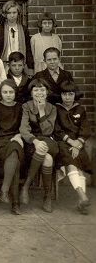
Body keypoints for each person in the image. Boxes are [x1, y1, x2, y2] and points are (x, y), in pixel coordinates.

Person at [19, 78, 58, 213]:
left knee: (45, 147)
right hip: (32, 142)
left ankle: (26, 185)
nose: (39, 93)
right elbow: (23, 129)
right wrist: (34, 141)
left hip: (48, 140)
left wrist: (41, 111)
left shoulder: (52, 108)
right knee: (47, 158)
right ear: (31, 92)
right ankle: (47, 196)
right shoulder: (26, 106)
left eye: (42, 89)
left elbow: (48, 131)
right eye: (36, 90)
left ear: (47, 92)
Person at [54, 81, 92, 214]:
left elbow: (85, 129)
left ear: (74, 95)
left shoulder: (80, 109)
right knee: (71, 162)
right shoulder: (57, 109)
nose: (67, 98)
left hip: (78, 142)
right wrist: (71, 142)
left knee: (79, 165)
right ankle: (82, 196)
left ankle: (82, 200)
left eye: (70, 94)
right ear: (61, 95)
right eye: (64, 94)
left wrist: (78, 143)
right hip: (63, 143)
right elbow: (56, 130)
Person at [0, 79, 24, 215]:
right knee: (14, 162)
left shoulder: (20, 107)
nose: (8, 95)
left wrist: (19, 136)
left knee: (15, 151)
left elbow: (26, 127)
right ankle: (15, 203)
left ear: (15, 92)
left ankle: (4, 191)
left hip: (16, 139)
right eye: (5, 92)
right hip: (0, 142)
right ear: (0, 93)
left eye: (11, 92)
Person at [0, 0, 33, 75]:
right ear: (5, 14)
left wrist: (30, 68)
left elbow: (28, 50)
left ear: (18, 13)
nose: (12, 15)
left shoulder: (23, 29)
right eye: (9, 13)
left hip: (20, 64)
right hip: (5, 64)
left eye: (14, 12)